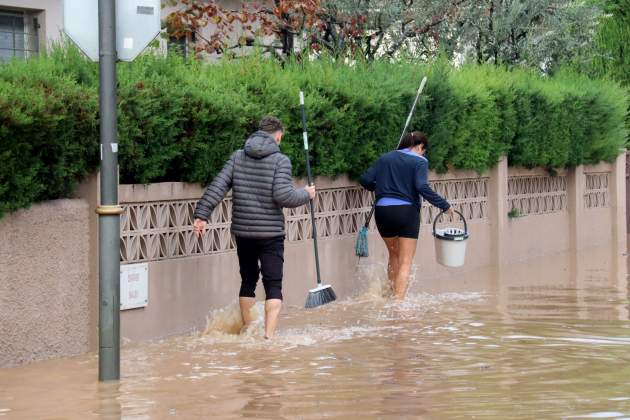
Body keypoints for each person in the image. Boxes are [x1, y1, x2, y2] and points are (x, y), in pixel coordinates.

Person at [193, 116, 316, 339]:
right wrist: (306, 194)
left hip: (244, 232)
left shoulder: (238, 157)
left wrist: (202, 215)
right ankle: (268, 338)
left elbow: (218, 186)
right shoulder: (280, 160)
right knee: (273, 284)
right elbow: (283, 195)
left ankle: (248, 333)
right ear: (278, 135)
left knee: (248, 280)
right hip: (271, 233)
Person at [359, 131, 453, 299]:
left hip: (382, 212)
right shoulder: (419, 161)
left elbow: (365, 180)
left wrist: (381, 188)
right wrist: (444, 205)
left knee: (394, 255)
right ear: (419, 146)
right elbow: (422, 187)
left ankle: (390, 296)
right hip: (406, 212)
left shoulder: (384, 158)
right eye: (424, 150)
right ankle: (399, 305)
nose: (423, 154)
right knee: (405, 260)